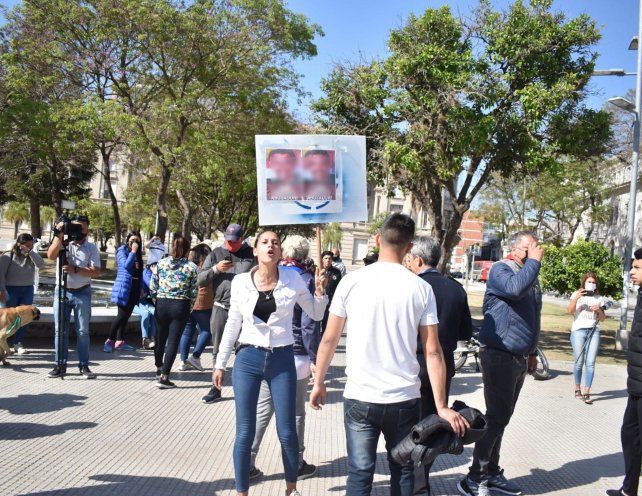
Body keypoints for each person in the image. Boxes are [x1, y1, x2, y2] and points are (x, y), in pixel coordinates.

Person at [310, 213, 468, 496]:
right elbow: (433, 351)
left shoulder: (351, 282)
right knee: (403, 469)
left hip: (360, 396)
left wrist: (319, 381)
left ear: (377, 240)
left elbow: (329, 339)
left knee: (359, 473)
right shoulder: (421, 288)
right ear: (409, 249)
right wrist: (442, 405)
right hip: (404, 398)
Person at [212, 230, 328, 496]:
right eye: (264, 242)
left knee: (287, 431)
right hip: (248, 359)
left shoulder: (293, 278)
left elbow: (316, 313)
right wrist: (220, 364)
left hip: (282, 358)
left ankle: (291, 489)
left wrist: (320, 291)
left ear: (280, 251)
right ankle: (242, 491)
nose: (270, 246)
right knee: (245, 431)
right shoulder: (241, 282)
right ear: (255, 251)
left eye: (275, 242)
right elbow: (232, 324)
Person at [458, 230, 543, 496]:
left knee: (502, 418)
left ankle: (491, 472)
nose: (536, 252)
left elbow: (534, 316)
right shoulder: (501, 270)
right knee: (496, 417)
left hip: (518, 356)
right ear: (516, 248)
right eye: (531, 247)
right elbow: (515, 290)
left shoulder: (528, 272)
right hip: (499, 353)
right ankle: (474, 477)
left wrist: (531, 352)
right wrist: (534, 263)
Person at [249, 235, 321, 482]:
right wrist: (316, 358)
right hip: (296, 353)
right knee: (296, 412)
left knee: (263, 409)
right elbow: (310, 323)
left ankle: (247, 460)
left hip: (268, 350)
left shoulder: (268, 275)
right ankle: (297, 463)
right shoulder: (305, 279)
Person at [406, 236, 473, 495]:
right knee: (430, 426)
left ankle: (409, 481)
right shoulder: (456, 289)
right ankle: (421, 481)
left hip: (410, 363)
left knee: (406, 427)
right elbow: (465, 331)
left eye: (410, 260)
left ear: (418, 260)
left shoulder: (411, 286)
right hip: (442, 367)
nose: (408, 264)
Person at [199, 223, 256, 404]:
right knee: (217, 350)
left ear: (242, 238)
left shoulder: (252, 254)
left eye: (234, 241)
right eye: (228, 240)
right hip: (221, 308)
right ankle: (216, 388)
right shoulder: (216, 253)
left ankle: (244, 389)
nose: (230, 244)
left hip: (245, 310)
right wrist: (216, 269)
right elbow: (200, 279)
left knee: (244, 351)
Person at [47, 215, 102, 379]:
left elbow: (97, 271)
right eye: (75, 227)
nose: (78, 231)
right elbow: (50, 256)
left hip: (82, 292)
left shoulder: (91, 248)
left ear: (87, 230)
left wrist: (76, 269)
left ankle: (84, 365)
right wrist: (59, 233)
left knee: (83, 331)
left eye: (82, 227)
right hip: (62, 291)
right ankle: (60, 364)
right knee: (59, 330)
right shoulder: (64, 243)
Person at [606, 249, 642, 496]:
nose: (632, 271)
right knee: (630, 435)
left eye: (637, 267)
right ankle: (629, 489)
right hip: (636, 383)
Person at [150, 233, 198, 389]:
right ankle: (164, 377)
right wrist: (189, 307)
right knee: (173, 341)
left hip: (162, 303)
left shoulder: (161, 263)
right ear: (186, 250)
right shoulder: (191, 267)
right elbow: (194, 291)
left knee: (160, 336)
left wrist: (156, 300)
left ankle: (158, 366)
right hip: (180, 305)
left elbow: (153, 285)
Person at [0, 233, 45, 354]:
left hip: (27, 289)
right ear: (19, 244)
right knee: (7, 319)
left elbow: (41, 264)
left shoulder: (31, 255)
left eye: (31, 245)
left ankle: (17, 343)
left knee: (24, 318)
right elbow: (1, 275)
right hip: (10, 290)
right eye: (27, 245)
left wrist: (30, 252)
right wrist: (1, 290)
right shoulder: (8, 255)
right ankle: (3, 345)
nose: (29, 247)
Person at [568, 272, 606, 405]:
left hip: (594, 330)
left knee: (590, 363)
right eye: (588, 282)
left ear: (596, 285)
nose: (591, 284)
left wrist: (599, 310)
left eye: (593, 282)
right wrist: (576, 298)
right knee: (579, 361)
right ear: (584, 283)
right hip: (578, 331)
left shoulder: (599, 298)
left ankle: (586, 392)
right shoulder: (577, 294)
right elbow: (570, 311)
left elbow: (602, 318)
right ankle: (577, 388)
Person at [105, 232, 143, 353]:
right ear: (127, 240)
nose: (134, 243)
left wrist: (141, 287)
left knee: (126, 317)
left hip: (134, 288)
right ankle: (109, 341)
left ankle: (120, 341)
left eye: (137, 240)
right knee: (121, 316)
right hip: (124, 288)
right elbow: (126, 266)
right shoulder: (122, 251)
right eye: (132, 240)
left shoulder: (138, 254)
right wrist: (132, 251)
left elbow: (139, 272)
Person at [178, 243, 213, 371]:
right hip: (203, 301)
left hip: (188, 300)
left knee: (187, 330)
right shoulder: (207, 265)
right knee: (207, 331)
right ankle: (195, 357)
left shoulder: (189, 264)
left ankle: (183, 361)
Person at [320, 250, 342, 332]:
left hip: (329, 302)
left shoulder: (336, 272)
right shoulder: (318, 270)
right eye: (326, 258)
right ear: (322, 259)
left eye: (330, 258)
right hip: (318, 301)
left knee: (326, 326)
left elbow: (339, 288)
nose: (328, 260)